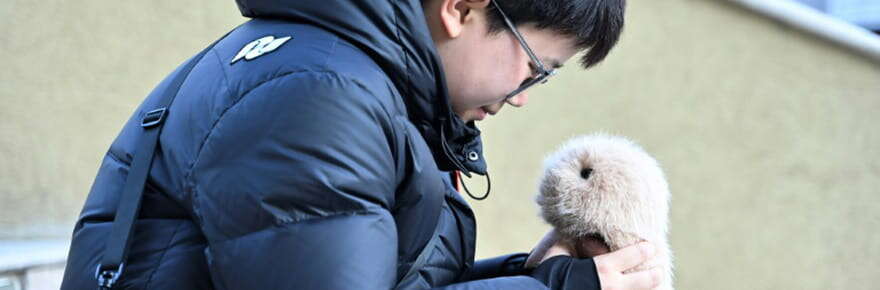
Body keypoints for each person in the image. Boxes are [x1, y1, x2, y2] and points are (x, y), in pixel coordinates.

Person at [61, 0, 662, 289]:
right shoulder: (318, 98)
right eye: (536, 66)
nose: (526, 93)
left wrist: (534, 276)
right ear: (460, 8)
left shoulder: (344, 76)